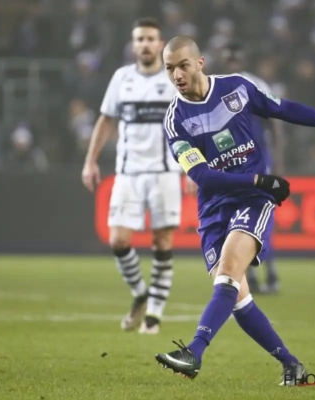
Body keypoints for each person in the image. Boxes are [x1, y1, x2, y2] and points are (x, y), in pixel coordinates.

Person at [154, 36, 315, 384]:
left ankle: (194, 352)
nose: (177, 75)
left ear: (200, 63)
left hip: (252, 199)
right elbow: (202, 176)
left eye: (183, 65)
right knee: (236, 297)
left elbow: (284, 109)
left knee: (228, 272)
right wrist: (260, 179)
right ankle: (292, 365)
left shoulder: (237, 87)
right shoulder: (175, 120)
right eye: (169, 68)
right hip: (215, 206)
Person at [81, 17, 181, 335]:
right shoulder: (121, 78)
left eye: (150, 39)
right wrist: (90, 161)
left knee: (161, 241)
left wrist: (195, 166)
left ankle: (154, 315)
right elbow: (105, 120)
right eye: (140, 39)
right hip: (128, 173)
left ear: (160, 44)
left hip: (165, 172)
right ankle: (140, 293)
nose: (145, 44)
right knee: (118, 240)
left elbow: (193, 123)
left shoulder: (174, 79)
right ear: (133, 45)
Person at [221, 42, 284, 294]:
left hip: (257, 162)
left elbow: (274, 122)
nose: (233, 64)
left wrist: (278, 161)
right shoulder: (214, 88)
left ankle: (271, 272)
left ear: (243, 61)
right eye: (230, 60)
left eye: (236, 60)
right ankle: (253, 276)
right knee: (237, 221)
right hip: (231, 166)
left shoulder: (256, 85)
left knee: (261, 217)